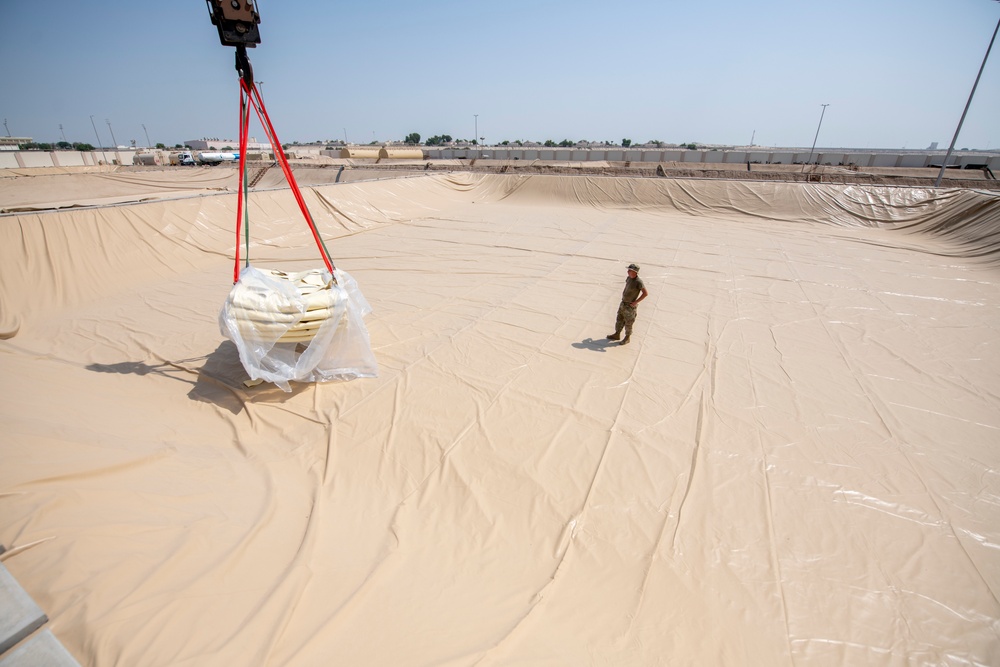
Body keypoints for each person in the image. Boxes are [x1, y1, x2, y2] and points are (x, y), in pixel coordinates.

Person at [608, 263, 648, 345]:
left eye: (630, 270)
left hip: (630, 306)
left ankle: (627, 338)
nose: (628, 271)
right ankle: (617, 334)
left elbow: (645, 293)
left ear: (635, 272)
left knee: (629, 322)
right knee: (619, 319)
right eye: (628, 270)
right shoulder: (629, 278)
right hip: (623, 303)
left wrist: (636, 302)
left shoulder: (638, 282)